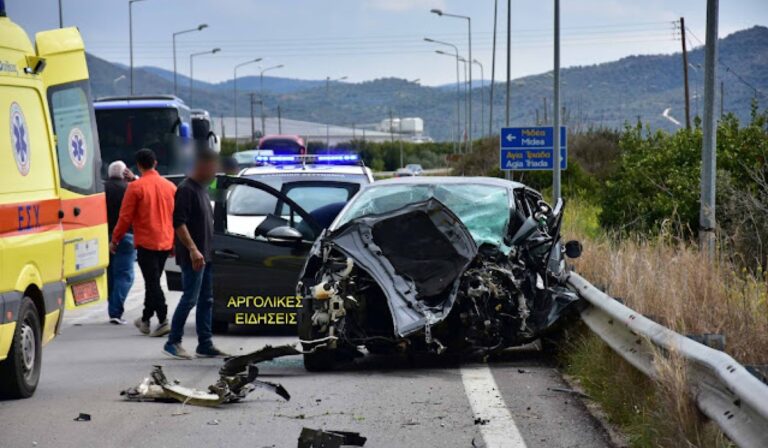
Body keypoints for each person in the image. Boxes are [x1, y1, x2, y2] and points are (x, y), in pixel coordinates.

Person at [163, 149, 228, 359]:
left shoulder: (202, 189)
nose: (214, 171)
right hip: (194, 256)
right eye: (211, 166)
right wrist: (193, 250)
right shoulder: (186, 190)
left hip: (206, 255)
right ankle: (173, 341)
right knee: (190, 298)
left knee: (206, 300)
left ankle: (205, 344)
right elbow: (179, 223)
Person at [111, 149, 177, 337]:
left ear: (138, 165)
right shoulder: (170, 187)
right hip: (165, 241)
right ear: (155, 163)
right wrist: (174, 243)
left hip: (147, 242)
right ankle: (146, 319)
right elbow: (176, 218)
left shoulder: (136, 188)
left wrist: (115, 239)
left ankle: (163, 319)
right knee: (152, 281)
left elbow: (125, 218)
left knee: (152, 282)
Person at [104, 161, 137, 325]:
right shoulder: (130, 189)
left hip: (104, 236)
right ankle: (115, 311)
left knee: (110, 273)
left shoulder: (101, 189)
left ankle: (112, 306)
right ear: (125, 173)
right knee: (125, 275)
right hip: (126, 236)